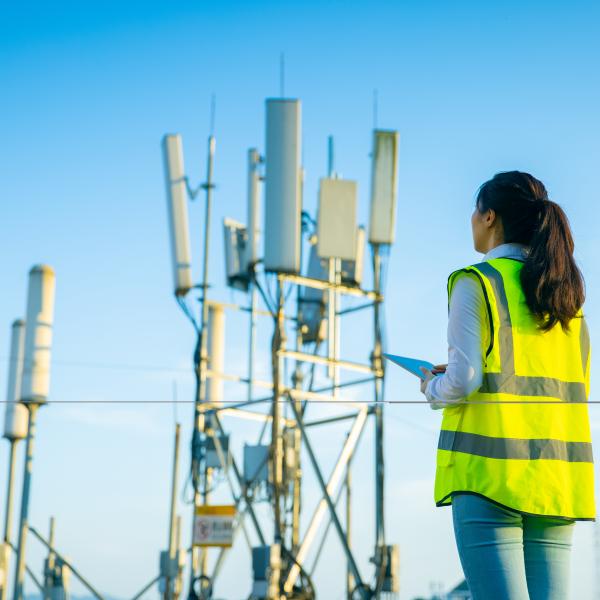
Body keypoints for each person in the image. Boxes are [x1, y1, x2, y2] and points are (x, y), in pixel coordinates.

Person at [419, 171, 594, 600]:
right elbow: (573, 386)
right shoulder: (566, 298)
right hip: (555, 479)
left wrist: (431, 388)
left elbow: (464, 381)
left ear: (490, 216)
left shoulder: (476, 281)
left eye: (475, 211)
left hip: (490, 480)